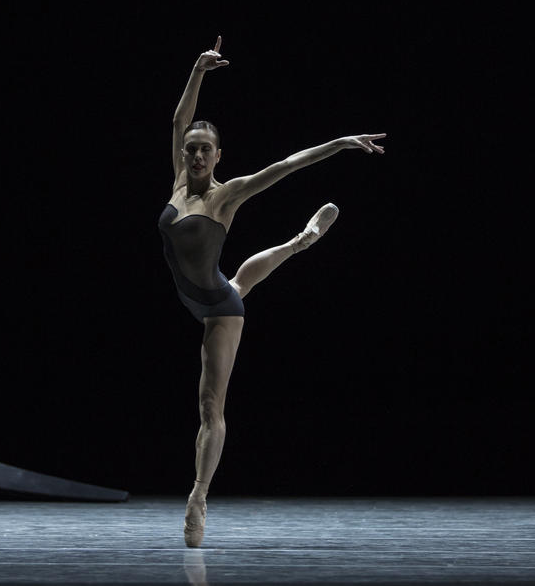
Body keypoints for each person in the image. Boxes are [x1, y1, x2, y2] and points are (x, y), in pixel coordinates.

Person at [159, 36, 385, 547]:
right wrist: (197, 71)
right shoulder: (177, 181)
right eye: (190, 148)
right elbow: (178, 121)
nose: (195, 154)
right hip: (200, 295)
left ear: (218, 156)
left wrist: (340, 143)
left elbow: (285, 166)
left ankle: (198, 497)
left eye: (204, 149)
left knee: (210, 404)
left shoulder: (228, 193)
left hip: (217, 308)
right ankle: (303, 241)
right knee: (238, 278)